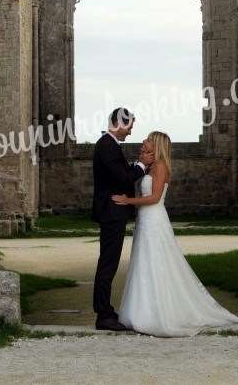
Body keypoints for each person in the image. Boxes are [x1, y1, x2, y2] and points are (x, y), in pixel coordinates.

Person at [112, 131, 238, 337]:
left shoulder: (161, 166)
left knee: (157, 263)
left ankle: (160, 314)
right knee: (142, 262)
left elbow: (154, 198)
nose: (146, 141)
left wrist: (127, 201)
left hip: (154, 218)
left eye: (149, 140)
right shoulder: (149, 165)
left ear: (157, 145)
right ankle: (142, 311)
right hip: (144, 220)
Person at [92, 108, 154, 331]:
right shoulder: (107, 145)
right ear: (119, 123)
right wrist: (141, 165)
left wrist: (137, 165)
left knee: (109, 262)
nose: (130, 132)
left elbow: (120, 175)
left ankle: (105, 310)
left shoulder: (109, 145)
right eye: (129, 126)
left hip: (113, 211)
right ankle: (103, 315)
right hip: (111, 211)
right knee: (108, 264)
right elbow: (123, 178)